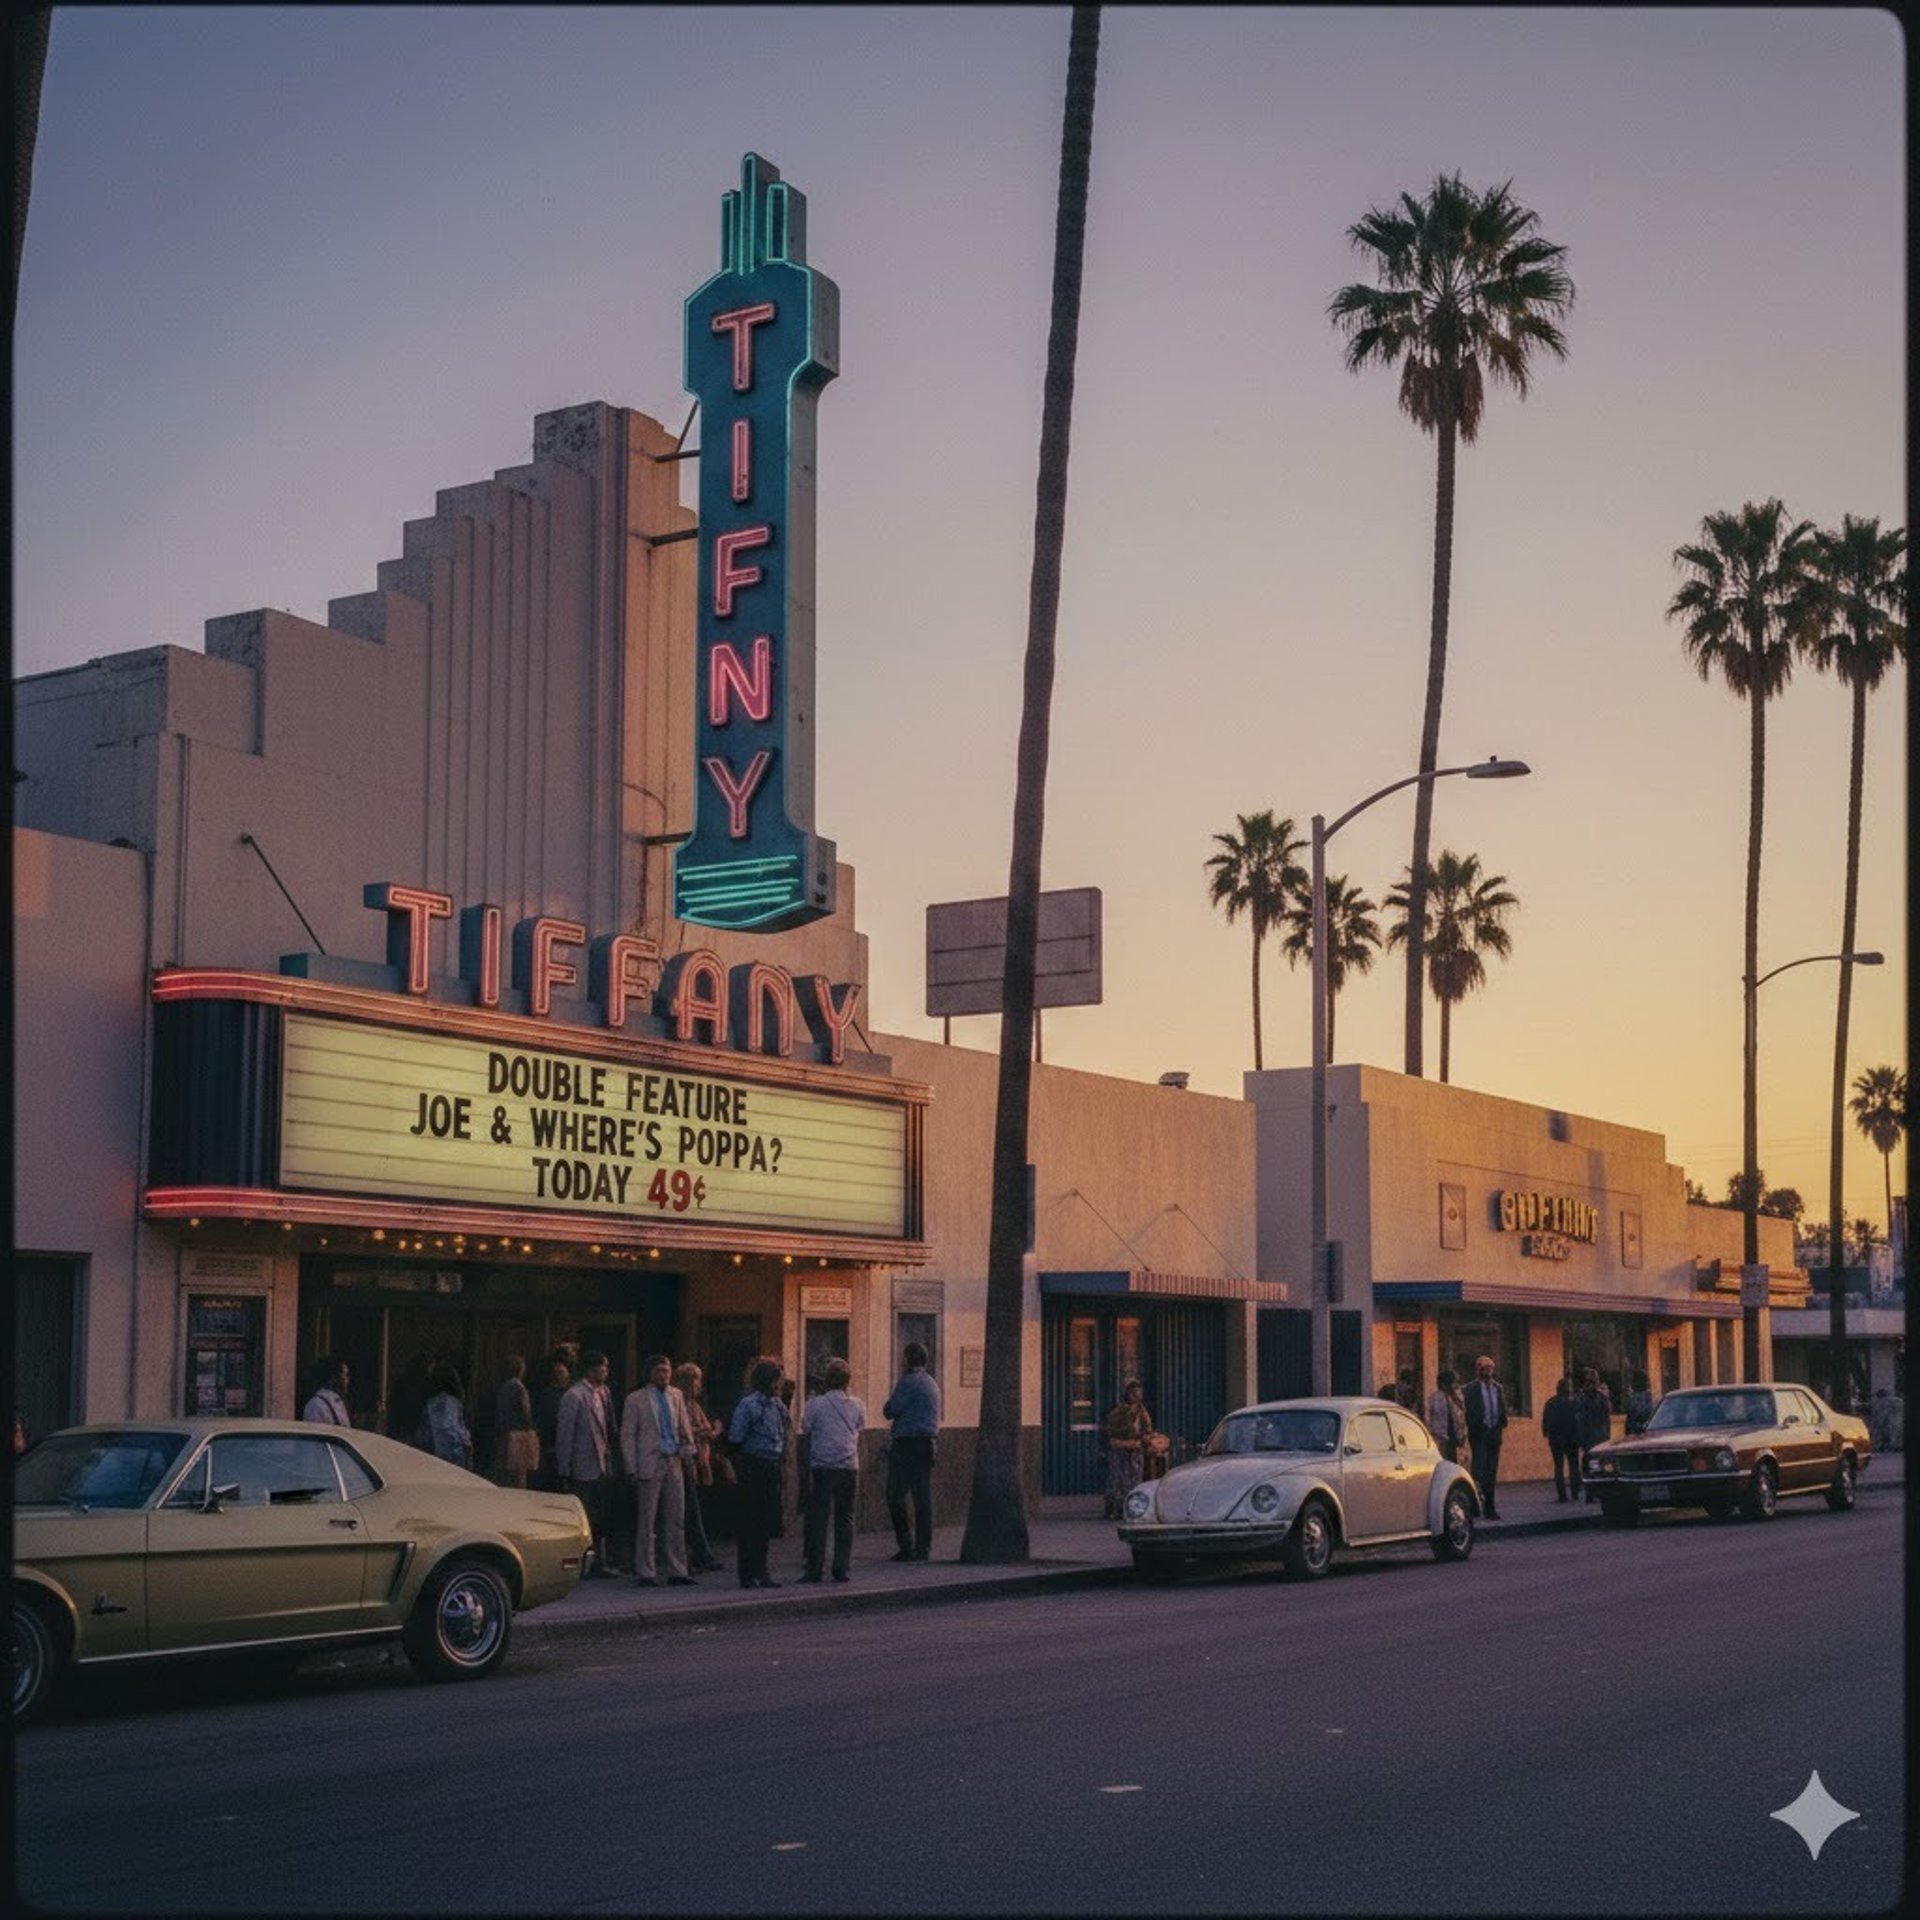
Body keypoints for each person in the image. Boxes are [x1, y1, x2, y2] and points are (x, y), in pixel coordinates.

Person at [620, 1354, 699, 1586]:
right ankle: (646, 1570)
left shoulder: (676, 1395)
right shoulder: (636, 1399)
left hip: (673, 1459)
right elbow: (628, 1434)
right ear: (650, 1373)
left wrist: (688, 1455)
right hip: (649, 1462)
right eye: (659, 1371)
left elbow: (684, 1428)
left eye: (666, 1370)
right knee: (647, 1520)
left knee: (676, 1518)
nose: (663, 1375)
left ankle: (678, 1569)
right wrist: (631, 1466)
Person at [800, 1357, 866, 1583]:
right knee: (845, 1518)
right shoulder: (858, 1404)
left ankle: (815, 1568)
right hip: (848, 1466)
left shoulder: (815, 1404)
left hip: (822, 1465)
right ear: (848, 1381)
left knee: (818, 1518)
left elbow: (805, 1427)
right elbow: (860, 1426)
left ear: (826, 1380)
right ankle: (841, 1567)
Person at [728, 1358, 789, 1589]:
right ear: (767, 1381)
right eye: (776, 1381)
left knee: (764, 1522)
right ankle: (746, 1573)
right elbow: (736, 1436)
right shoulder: (749, 1405)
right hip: (753, 1464)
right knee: (750, 1520)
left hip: (772, 1464)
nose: (779, 1385)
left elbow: (783, 1431)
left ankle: (762, 1571)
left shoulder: (778, 1405)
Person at [556, 1350, 619, 1576]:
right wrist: (565, 1468)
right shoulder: (574, 1396)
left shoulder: (604, 1393)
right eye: (603, 1367)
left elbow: (609, 1428)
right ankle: (584, 1563)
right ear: (592, 1369)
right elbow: (565, 1434)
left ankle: (600, 1561)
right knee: (584, 1516)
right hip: (582, 1464)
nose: (606, 1371)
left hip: (601, 1463)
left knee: (600, 1514)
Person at [883, 1340, 941, 1561]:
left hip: (907, 1445)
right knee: (922, 1498)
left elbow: (890, 1410)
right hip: (928, 1444)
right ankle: (923, 1548)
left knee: (895, 1495)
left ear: (908, 1359)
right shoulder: (932, 1383)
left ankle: (905, 1544)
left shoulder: (907, 1382)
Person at [674, 1362, 726, 1573]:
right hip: (687, 1461)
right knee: (690, 1510)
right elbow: (689, 1431)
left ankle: (698, 1554)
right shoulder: (681, 1403)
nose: (699, 1386)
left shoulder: (693, 1404)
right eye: (697, 1381)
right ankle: (700, 1554)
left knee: (693, 1509)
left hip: (698, 1461)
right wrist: (712, 1430)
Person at [1464, 1353, 1508, 1520]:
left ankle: (1490, 1507)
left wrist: (1502, 1423)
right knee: (1478, 1471)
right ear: (1478, 1370)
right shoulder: (1470, 1389)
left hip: (1494, 1434)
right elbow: (1468, 1411)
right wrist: (1475, 1425)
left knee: (1491, 1472)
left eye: (1490, 1368)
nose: (1488, 1371)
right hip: (1479, 1434)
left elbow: (1501, 1408)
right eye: (1484, 1368)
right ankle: (1475, 1506)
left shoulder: (1498, 1388)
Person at [1102, 1378, 1152, 1519]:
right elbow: (1111, 1429)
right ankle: (1114, 1507)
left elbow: (1147, 1430)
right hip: (1120, 1450)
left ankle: (1128, 1508)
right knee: (1118, 1479)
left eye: (1138, 1393)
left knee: (1133, 1480)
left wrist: (1144, 1440)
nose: (1136, 1396)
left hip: (1134, 1450)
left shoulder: (1142, 1412)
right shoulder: (1119, 1412)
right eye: (1133, 1393)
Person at [494, 1354, 537, 1487]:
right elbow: (525, 1412)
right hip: (518, 1435)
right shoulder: (519, 1387)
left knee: (506, 1472)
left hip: (504, 1432)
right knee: (519, 1474)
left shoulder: (504, 1387)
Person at [421, 1363, 473, 1468]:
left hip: (434, 1455)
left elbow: (426, 1433)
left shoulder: (431, 1403)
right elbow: (449, 1431)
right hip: (452, 1457)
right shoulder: (449, 1403)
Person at [534, 1353, 571, 1490]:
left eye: (561, 1372)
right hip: (549, 1448)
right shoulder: (547, 1395)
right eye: (556, 1372)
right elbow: (543, 1420)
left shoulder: (571, 1395)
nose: (558, 1375)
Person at [1542, 1375, 1582, 1502]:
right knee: (1574, 1465)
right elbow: (1579, 1420)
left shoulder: (1551, 1402)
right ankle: (1575, 1492)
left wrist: (1547, 1433)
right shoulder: (1575, 1402)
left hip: (1556, 1439)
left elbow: (1546, 1421)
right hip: (1571, 1438)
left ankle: (1562, 1495)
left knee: (1558, 1467)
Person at [1575, 1368, 1613, 1494]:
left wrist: (1580, 1436)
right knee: (1600, 1462)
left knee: (1588, 1462)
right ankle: (1600, 1489)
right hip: (1600, 1433)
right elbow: (1607, 1418)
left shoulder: (1582, 1398)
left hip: (1589, 1435)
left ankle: (1590, 1491)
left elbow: (1579, 1418)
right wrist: (1608, 1435)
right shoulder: (1602, 1398)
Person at [1426, 1368, 1466, 1464]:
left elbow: (1462, 1417)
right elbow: (1428, 1419)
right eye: (1453, 1383)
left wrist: (1462, 1434)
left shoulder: (1457, 1399)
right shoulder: (1433, 1399)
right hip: (1441, 1439)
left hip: (1455, 1439)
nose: (1456, 1386)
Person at [301, 1356, 351, 1426]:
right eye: (345, 1375)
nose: (347, 1380)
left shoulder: (338, 1401)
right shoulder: (316, 1405)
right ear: (334, 1378)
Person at [1625, 1370, 1655, 1436]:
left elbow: (1631, 1418)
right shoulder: (1649, 1398)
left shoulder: (1634, 1399)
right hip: (1647, 1431)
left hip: (1637, 1432)